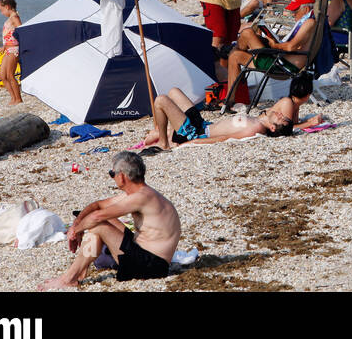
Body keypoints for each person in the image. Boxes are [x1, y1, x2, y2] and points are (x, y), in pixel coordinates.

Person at [38, 152, 180, 289]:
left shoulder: (142, 197)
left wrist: (75, 231)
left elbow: (97, 217)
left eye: (112, 174)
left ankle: (68, 279)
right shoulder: (142, 193)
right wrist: (76, 224)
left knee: (98, 225)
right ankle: (79, 271)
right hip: (144, 255)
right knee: (104, 219)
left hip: (151, 266)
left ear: (122, 176)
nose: (112, 177)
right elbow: (97, 206)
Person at [220, 0, 318, 99]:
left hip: (282, 65)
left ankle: (228, 53)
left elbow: (291, 47)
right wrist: (274, 40)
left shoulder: (309, 23)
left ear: (306, 9)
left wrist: (274, 45)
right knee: (239, 48)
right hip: (280, 59)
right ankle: (228, 100)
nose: (293, 14)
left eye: (295, 11)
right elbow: (294, 44)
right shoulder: (308, 21)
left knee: (245, 37)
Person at [142, 88, 291, 151]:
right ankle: (167, 133)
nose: (280, 114)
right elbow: (283, 103)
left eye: (281, 119)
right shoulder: (260, 120)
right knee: (174, 92)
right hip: (203, 124)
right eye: (283, 115)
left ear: (273, 128)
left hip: (197, 133)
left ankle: (164, 142)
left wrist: (192, 143)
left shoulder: (255, 129)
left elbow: (224, 138)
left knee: (161, 100)